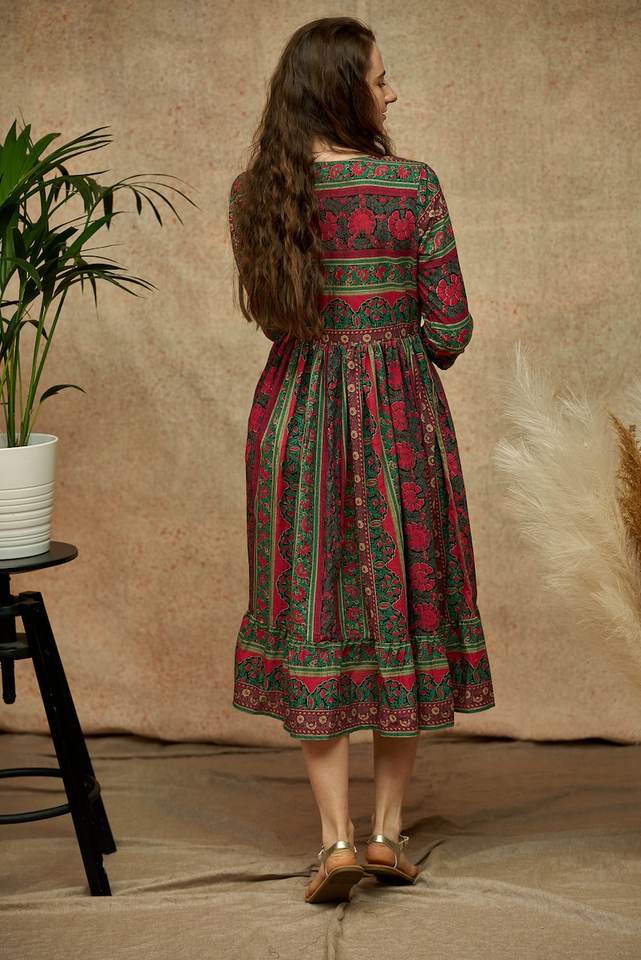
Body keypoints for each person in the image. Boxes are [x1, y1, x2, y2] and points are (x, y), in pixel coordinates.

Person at [227, 16, 496, 904]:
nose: (392, 92)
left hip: (294, 423)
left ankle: (333, 841)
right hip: (397, 424)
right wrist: (398, 336)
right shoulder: (410, 187)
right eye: (381, 79)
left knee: (312, 607)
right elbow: (449, 330)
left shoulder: (256, 193)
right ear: (343, 89)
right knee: (401, 608)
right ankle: (385, 833)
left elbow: (274, 318)